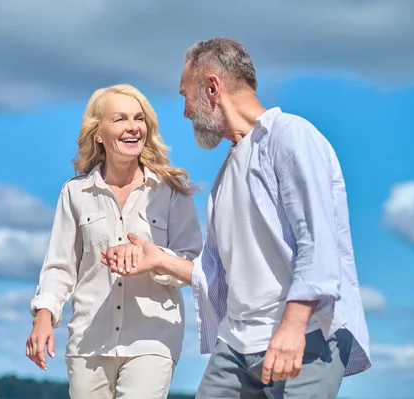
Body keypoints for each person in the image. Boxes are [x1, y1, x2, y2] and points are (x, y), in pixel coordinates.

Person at [101, 38, 371, 399]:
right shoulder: (227, 173)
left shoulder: (290, 136)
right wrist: (158, 259)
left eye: (186, 95)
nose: (184, 112)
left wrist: (293, 327)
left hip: (306, 338)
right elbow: (219, 274)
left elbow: (318, 243)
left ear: (212, 87)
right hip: (237, 344)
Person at [26, 83, 203, 399]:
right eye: (120, 119)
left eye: (139, 118)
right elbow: (59, 267)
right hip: (88, 342)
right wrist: (43, 317)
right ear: (98, 133)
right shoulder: (74, 193)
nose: (133, 127)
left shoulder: (171, 192)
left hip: (152, 340)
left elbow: (193, 264)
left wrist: (153, 257)